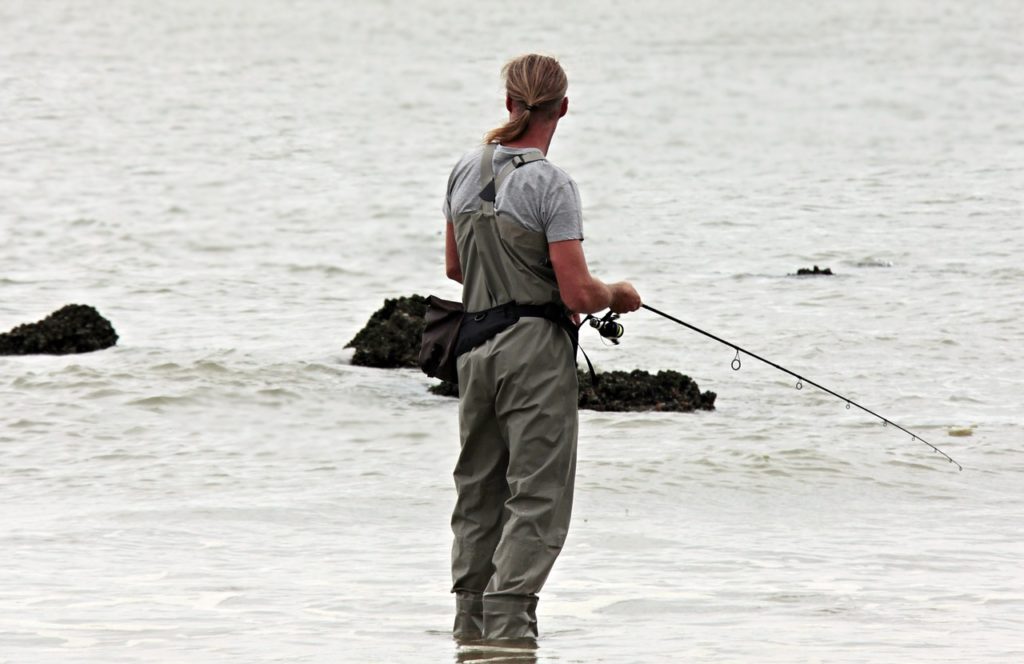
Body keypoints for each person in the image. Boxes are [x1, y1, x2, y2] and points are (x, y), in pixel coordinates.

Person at [441, 53, 641, 643]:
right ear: (564, 108)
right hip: (533, 352)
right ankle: (508, 628)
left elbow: (456, 268)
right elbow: (579, 290)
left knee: (478, 491)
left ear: (509, 103)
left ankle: (470, 630)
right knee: (537, 494)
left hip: (473, 349)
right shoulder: (551, 183)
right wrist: (620, 295)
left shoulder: (462, 170)